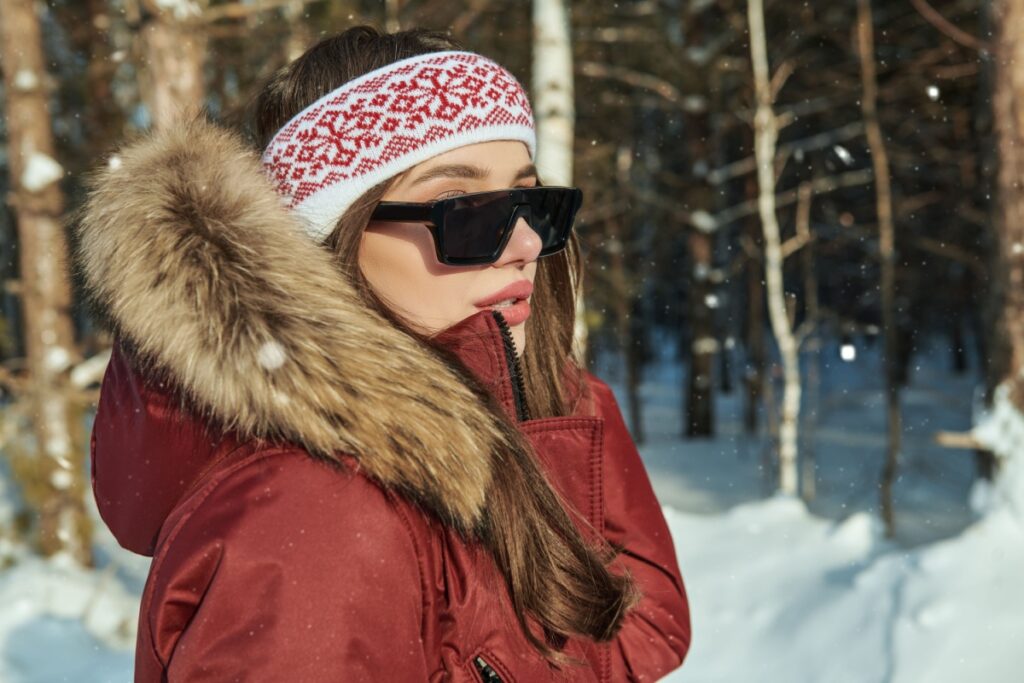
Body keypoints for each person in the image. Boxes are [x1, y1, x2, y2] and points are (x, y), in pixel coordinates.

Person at [76, 25, 690, 682]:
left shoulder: (435, 453)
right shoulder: (317, 518)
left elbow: (635, 628)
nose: (527, 244)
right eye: (467, 210)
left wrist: (535, 401)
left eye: (532, 202)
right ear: (333, 238)